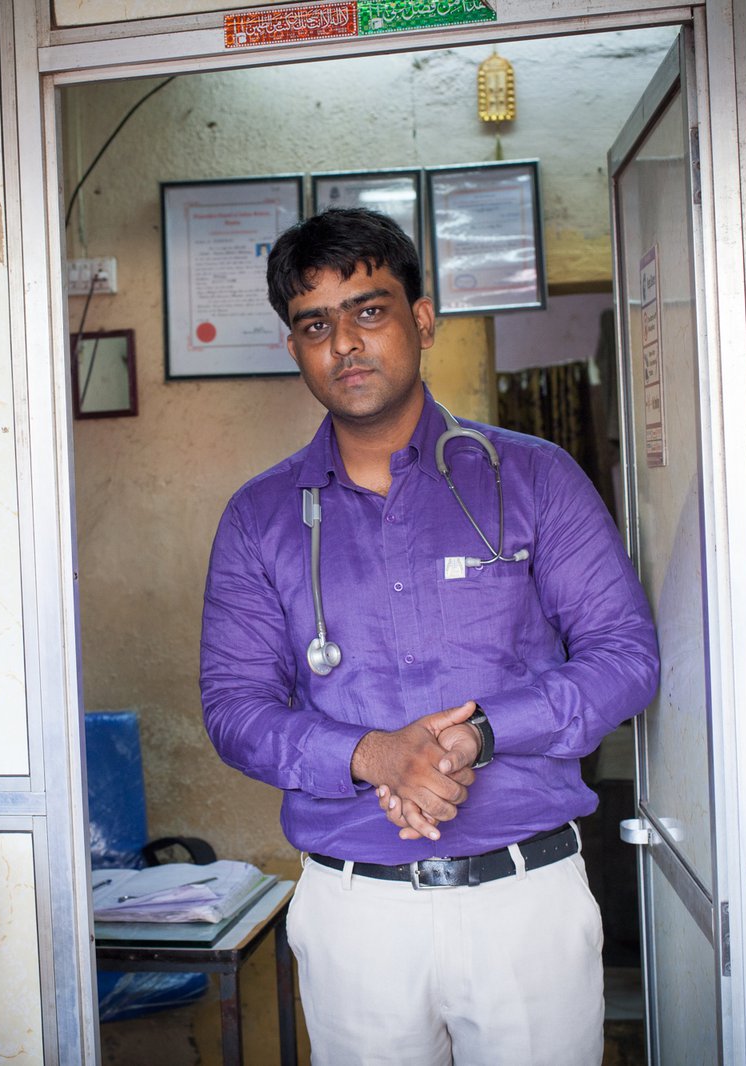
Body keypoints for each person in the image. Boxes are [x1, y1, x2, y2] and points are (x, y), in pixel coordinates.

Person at [199, 207, 660, 1064]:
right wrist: (377, 756)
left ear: (421, 318)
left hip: (527, 905)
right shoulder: (260, 519)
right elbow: (234, 708)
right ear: (295, 347)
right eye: (315, 324)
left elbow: (624, 657)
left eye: (369, 310)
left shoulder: (532, 479)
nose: (345, 342)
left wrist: (479, 735)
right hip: (356, 915)